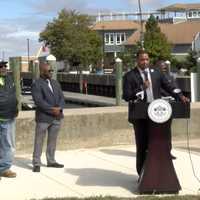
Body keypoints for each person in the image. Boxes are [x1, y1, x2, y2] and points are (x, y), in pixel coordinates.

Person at [123, 50, 189, 176]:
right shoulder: (130, 76)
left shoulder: (156, 73)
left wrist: (180, 96)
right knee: (142, 146)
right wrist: (142, 88)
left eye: (147, 59)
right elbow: (126, 96)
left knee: (158, 144)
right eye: (142, 59)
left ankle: (158, 174)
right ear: (137, 60)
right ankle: (142, 174)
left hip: (157, 116)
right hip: (140, 116)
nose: (145, 62)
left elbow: (169, 86)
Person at [31, 62, 65, 172]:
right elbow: (39, 101)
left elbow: (62, 98)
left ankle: (51, 161)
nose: (51, 72)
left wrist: (59, 108)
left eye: (52, 70)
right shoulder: (37, 83)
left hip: (57, 117)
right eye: (49, 71)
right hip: (44, 117)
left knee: (52, 140)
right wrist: (52, 110)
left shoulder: (55, 83)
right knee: (39, 140)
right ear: (42, 71)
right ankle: (36, 162)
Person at [156, 60, 178, 159]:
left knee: (167, 130)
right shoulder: (154, 78)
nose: (164, 68)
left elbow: (175, 88)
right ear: (157, 67)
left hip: (169, 106)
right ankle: (155, 151)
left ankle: (168, 151)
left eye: (165, 67)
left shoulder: (170, 77)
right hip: (158, 107)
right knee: (156, 130)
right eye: (161, 66)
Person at [0, 61, 18, 179]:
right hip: (2, 116)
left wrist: (15, 107)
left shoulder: (10, 79)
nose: (3, 68)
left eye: (5, 66)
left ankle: (4, 168)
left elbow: (13, 95)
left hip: (10, 116)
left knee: (7, 144)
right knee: (7, 145)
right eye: (0, 67)